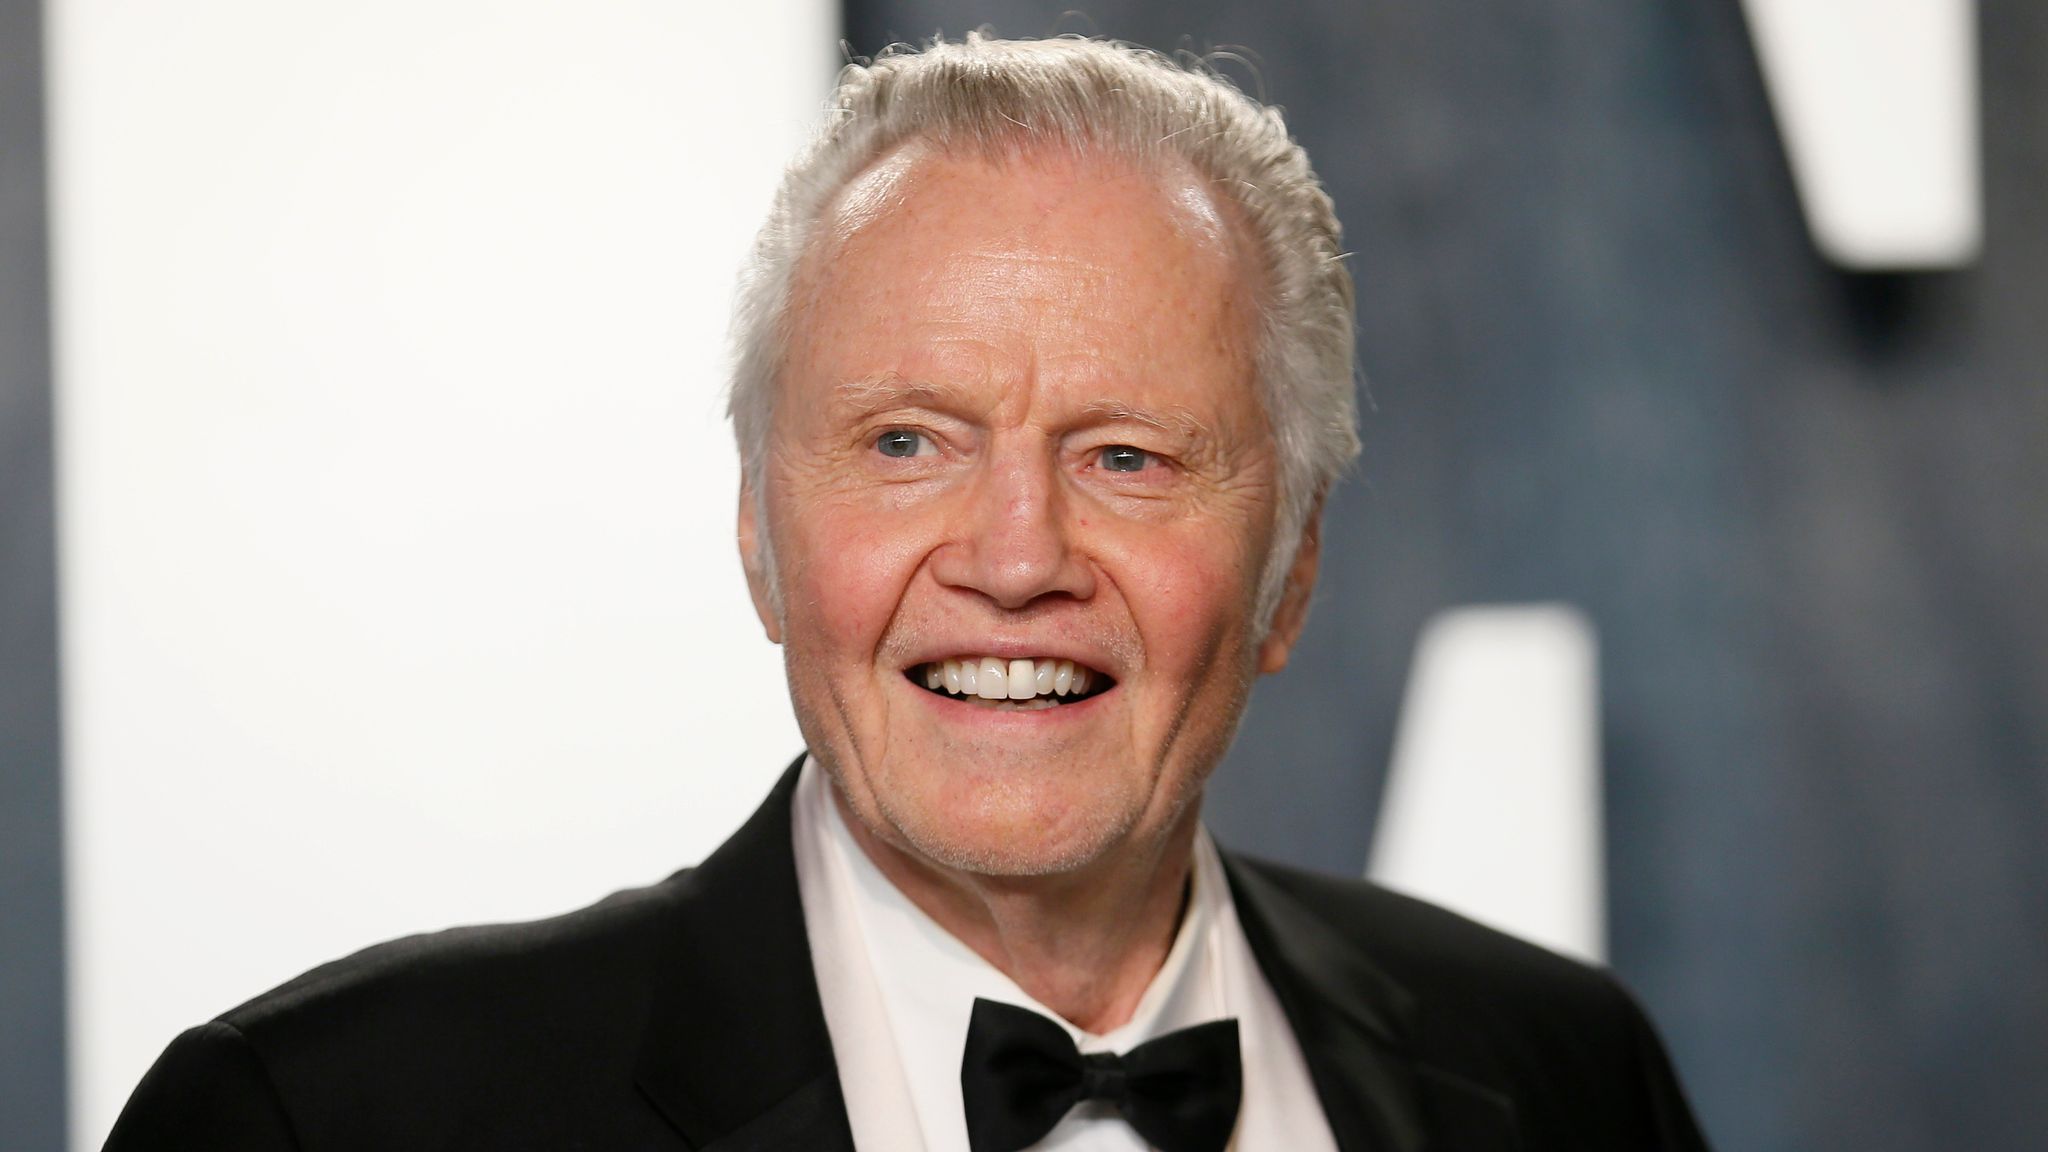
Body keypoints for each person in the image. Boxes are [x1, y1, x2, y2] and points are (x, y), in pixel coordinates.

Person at [106, 35, 1711, 1152]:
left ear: (1290, 570)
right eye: (906, 443)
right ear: (759, 536)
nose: (1016, 559)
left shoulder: (1564, 1081)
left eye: (1131, 457)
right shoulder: (323, 1123)